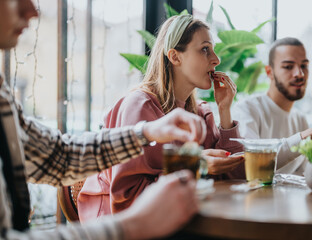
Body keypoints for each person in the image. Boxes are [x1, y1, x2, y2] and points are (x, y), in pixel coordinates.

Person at [0, 0, 208, 239]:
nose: (33, 11)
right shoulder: (139, 102)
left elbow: (59, 155)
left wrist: (146, 132)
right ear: (174, 56)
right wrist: (131, 225)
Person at [78, 14, 245, 221]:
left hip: (178, 218)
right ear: (175, 57)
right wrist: (195, 167)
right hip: (117, 224)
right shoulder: (138, 107)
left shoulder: (201, 112)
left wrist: (225, 110)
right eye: (204, 49)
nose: (216, 60)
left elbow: (237, 179)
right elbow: (127, 199)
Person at [233, 37, 312, 175]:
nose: (300, 74)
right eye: (288, 66)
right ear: (270, 72)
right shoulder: (246, 109)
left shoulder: (300, 118)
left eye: (304, 65)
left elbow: (304, 176)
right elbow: (251, 162)